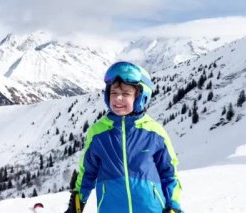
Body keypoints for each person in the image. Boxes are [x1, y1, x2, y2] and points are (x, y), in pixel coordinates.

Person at [65, 61, 183, 213]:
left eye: (126, 94)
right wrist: (77, 203)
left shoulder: (154, 132)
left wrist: (174, 206)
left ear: (140, 97)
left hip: (151, 209)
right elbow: (87, 172)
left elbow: (169, 173)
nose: (118, 98)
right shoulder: (98, 133)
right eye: (114, 93)